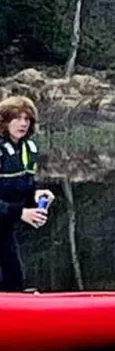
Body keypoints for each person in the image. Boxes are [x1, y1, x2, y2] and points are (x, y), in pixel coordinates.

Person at [0, 95, 51, 291]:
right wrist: (20, 213)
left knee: (14, 278)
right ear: (4, 121)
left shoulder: (26, 148)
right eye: (17, 118)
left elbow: (20, 187)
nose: (23, 123)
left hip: (4, 225)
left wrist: (35, 196)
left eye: (27, 119)